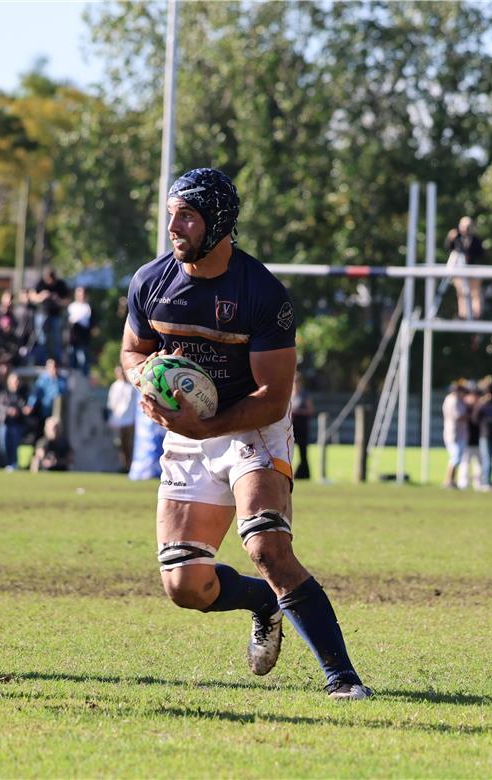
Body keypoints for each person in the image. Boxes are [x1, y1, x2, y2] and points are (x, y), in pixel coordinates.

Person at [122, 167, 372, 700]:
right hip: (186, 437)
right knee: (185, 585)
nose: (174, 227)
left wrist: (207, 423)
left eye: (187, 216)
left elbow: (274, 397)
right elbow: (131, 351)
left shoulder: (261, 292)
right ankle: (262, 602)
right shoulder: (151, 281)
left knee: (266, 545)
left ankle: (342, 677)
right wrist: (146, 377)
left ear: (219, 223)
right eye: (171, 215)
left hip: (251, 427)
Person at [445, 216, 487, 319]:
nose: (465, 229)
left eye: (468, 226)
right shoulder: (456, 238)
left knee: (475, 293)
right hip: (460, 271)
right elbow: (449, 249)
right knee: (461, 293)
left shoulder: (476, 240)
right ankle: (463, 315)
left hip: (473, 270)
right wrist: (450, 238)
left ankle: (476, 315)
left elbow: (481, 254)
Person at [29, 268, 70, 363]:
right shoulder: (41, 283)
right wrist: (42, 296)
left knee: (56, 339)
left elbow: (67, 301)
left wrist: (58, 299)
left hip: (55, 315)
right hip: (41, 314)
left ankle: (56, 361)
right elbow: (32, 296)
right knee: (41, 338)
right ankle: (41, 361)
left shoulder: (60, 284)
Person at [0, 372, 33, 471]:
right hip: (5, 423)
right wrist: (8, 410)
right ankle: (5, 463)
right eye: (14, 381)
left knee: (14, 444)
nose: (16, 383)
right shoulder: (4, 393)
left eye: (17, 381)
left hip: (17, 424)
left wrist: (20, 411)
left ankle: (13, 464)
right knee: (3, 445)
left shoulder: (23, 394)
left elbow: (25, 407)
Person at [105, 365, 138, 473]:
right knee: (121, 444)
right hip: (119, 420)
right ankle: (125, 465)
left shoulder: (132, 386)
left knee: (131, 443)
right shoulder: (115, 387)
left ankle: (131, 465)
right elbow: (111, 404)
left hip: (131, 420)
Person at [440, 381, 471, 489]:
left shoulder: (460, 400)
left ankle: (452, 480)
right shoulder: (452, 400)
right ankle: (448, 480)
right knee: (455, 457)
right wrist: (469, 415)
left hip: (461, 433)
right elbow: (458, 416)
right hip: (453, 433)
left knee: (458, 457)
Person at [289, 371, 316, 481]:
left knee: (303, 451)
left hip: (302, 426)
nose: (295, 383)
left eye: (297, 381)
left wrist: (298, 412)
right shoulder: (289, 394)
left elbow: (311, 410)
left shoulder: (304, 395)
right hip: (292, 427)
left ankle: (304, 473)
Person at [67, 286, 94, 374]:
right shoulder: (72, 306)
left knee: (83, 361)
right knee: (72, 360)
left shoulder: (87, 307)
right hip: (73, 340)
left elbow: (87, 322)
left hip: (83, 339)